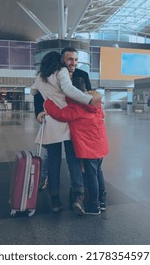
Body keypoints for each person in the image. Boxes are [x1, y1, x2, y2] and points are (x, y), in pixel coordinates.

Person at [30, 51, 101, 215]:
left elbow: (33, 92)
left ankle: (55, 201)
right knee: (73, 161)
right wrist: (89, 100)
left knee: (54, 163)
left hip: (51, 123)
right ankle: (78, 197)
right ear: (60, 60)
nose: (72, 62)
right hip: (68, 122)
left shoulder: (40, 77)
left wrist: (46, 97)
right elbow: (68, 89)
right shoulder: (61, 71)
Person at [44, 77, 109, 215]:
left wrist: (48, 103)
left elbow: (60, 114)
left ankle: (94, 205)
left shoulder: (77, 108)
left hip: (89, 148)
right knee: (98, 172)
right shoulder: (96, 105)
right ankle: (102, 202)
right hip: (100, 145)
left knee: (91, 176)